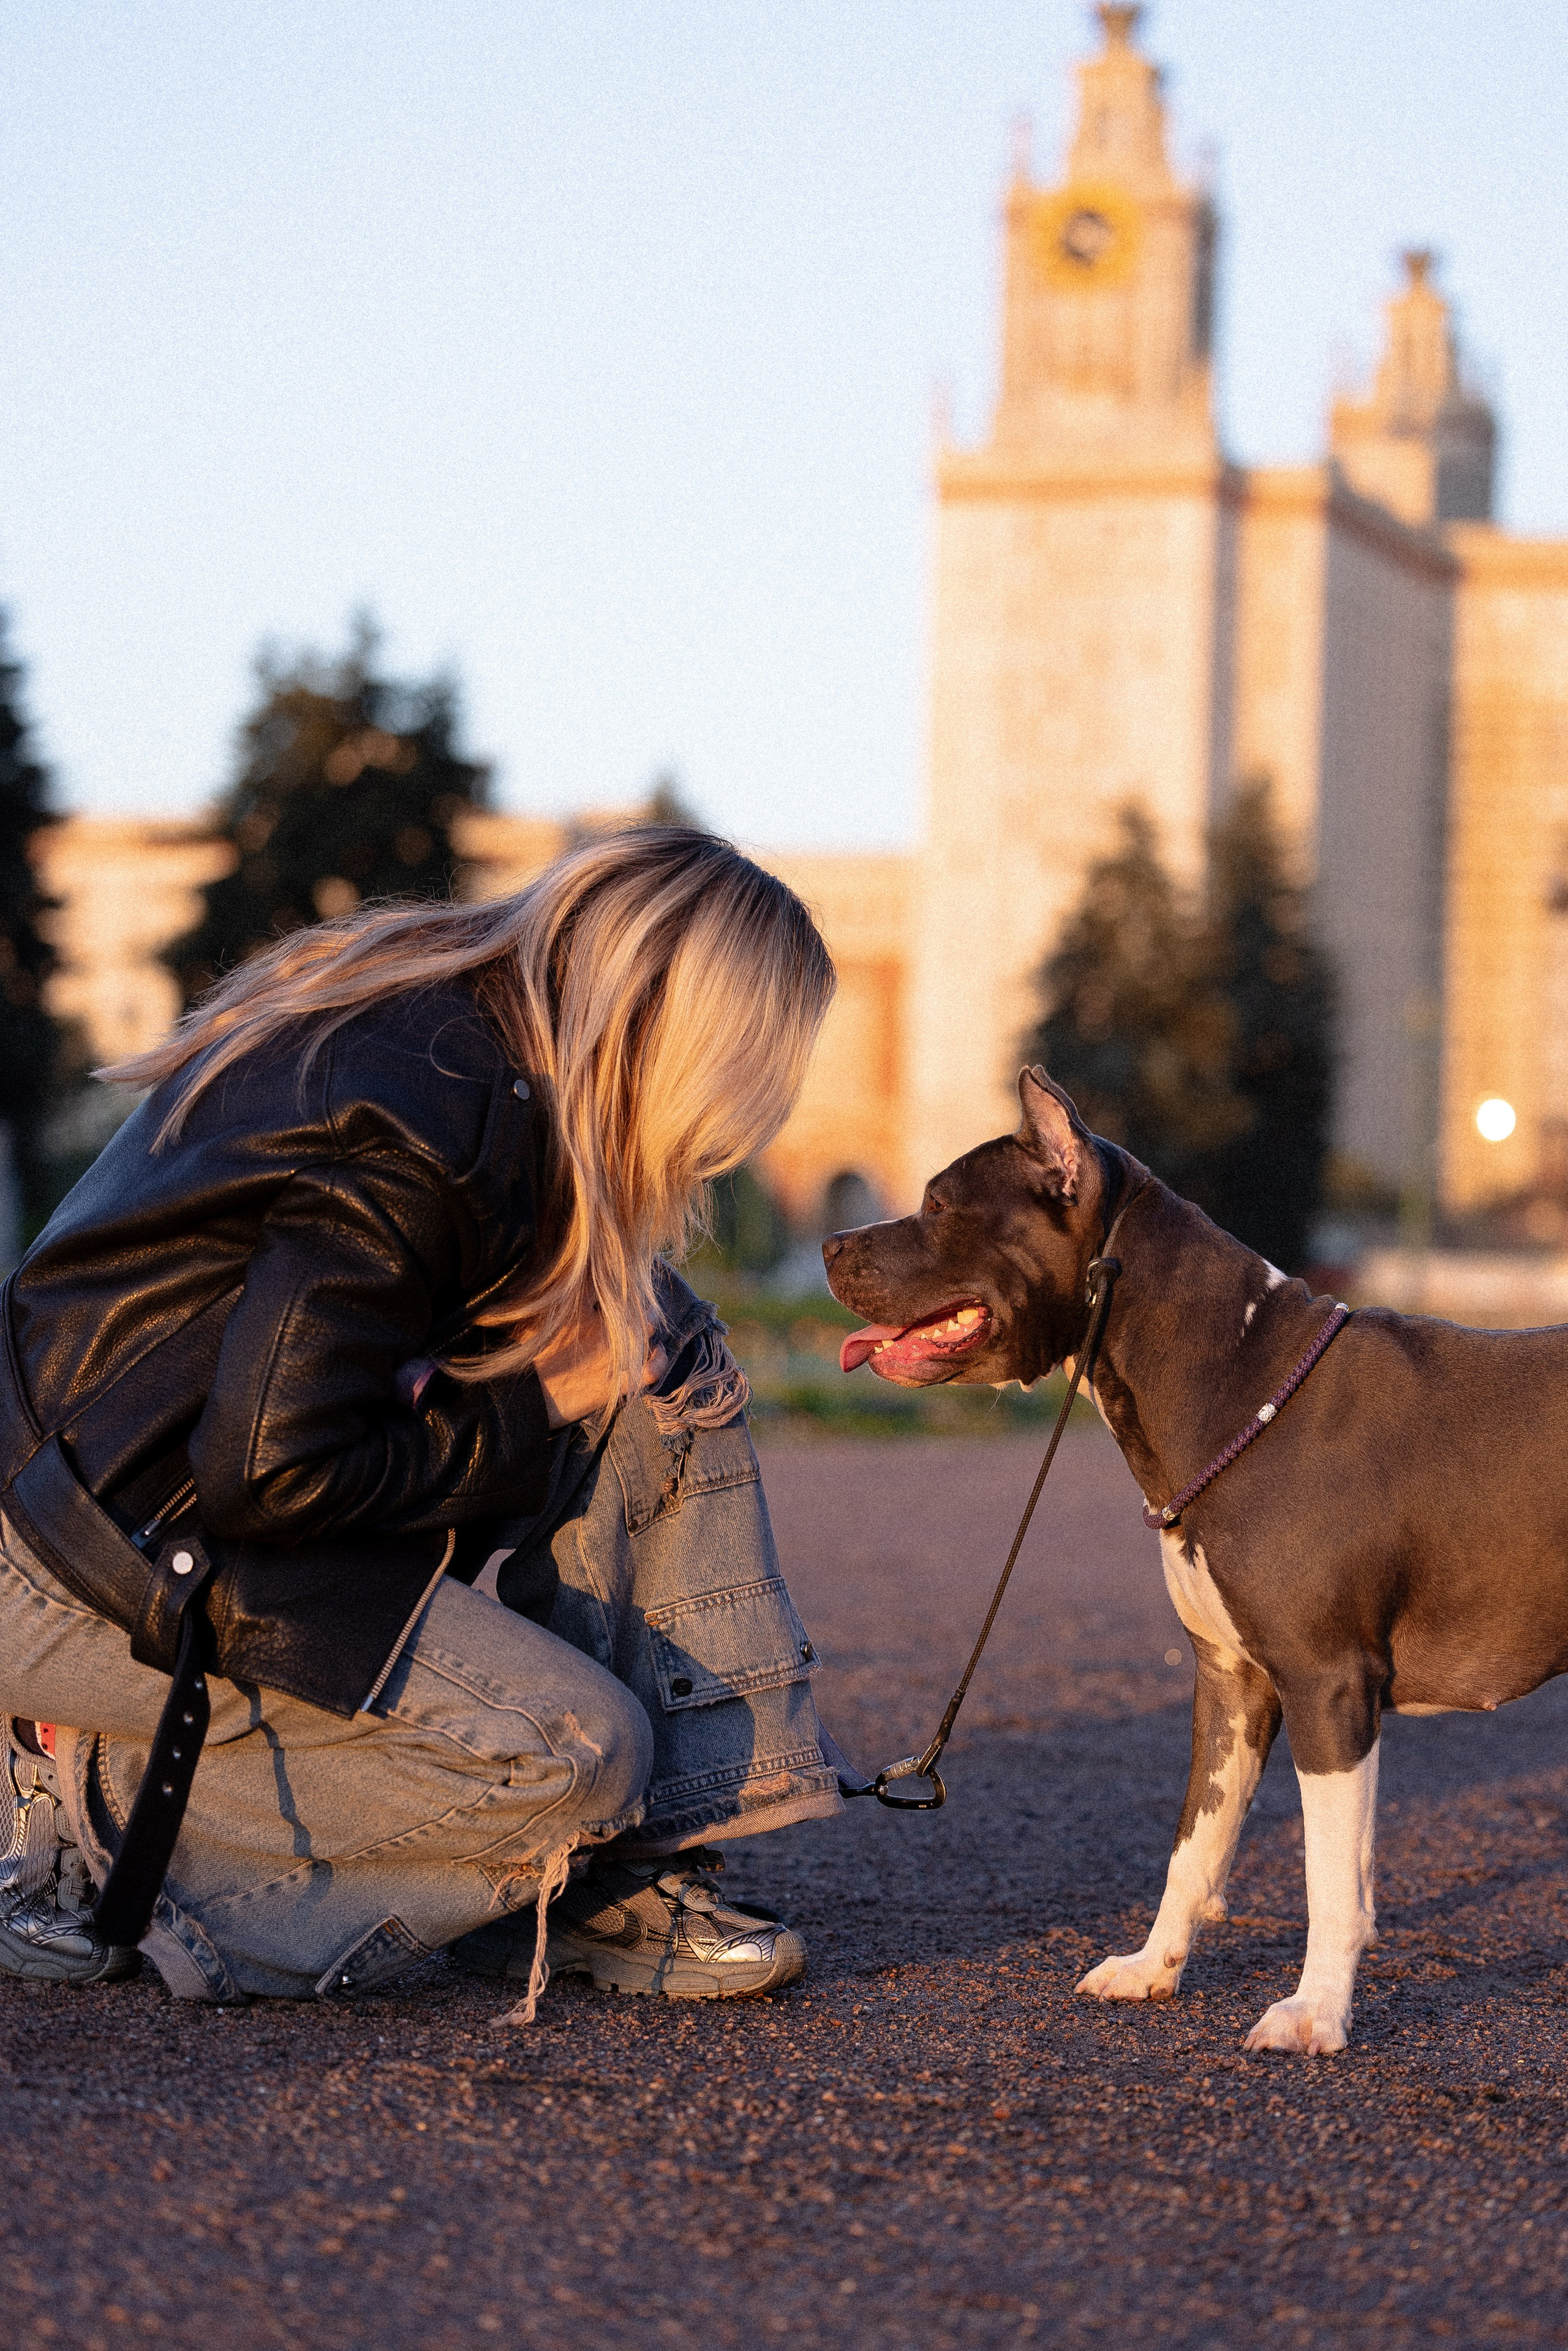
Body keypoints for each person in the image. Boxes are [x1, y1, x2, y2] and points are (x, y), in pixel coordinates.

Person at [0, 828, 846, 2009]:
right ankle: (74, 1802)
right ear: (685, 1037)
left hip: (169, 1510)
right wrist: (541, 1397)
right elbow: (271, 1470)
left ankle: (616, 1873)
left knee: (657, 1342)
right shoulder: (434, 1118)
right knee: (571, 1755)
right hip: (79, 1558)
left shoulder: (477, 1047)